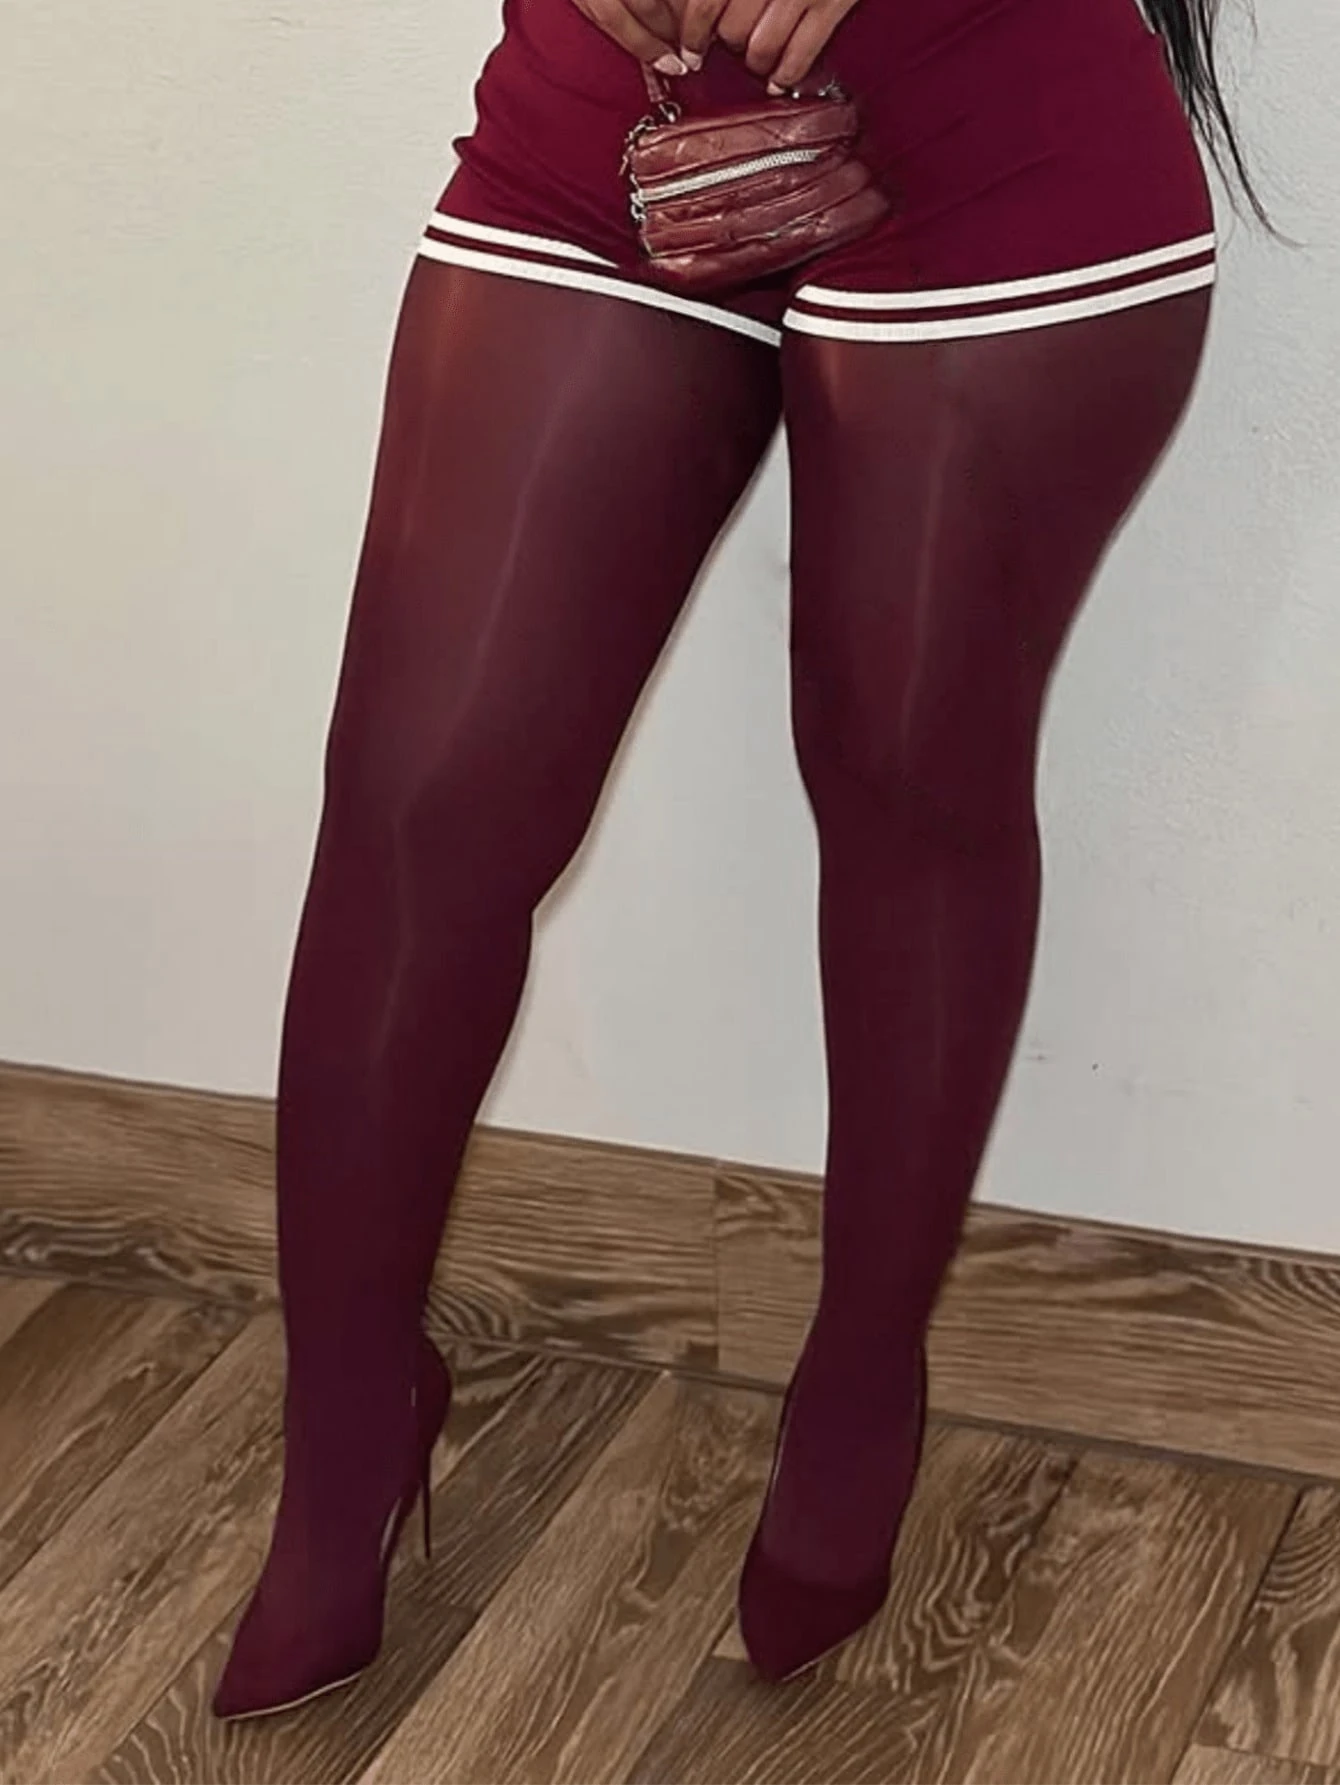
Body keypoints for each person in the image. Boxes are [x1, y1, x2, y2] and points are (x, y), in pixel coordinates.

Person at [211, 0, 1267, 1718]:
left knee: (911, 791)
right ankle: (346, 1430)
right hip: (602, 122)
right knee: (422, 801)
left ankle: (860, 1385)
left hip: (997, 137)